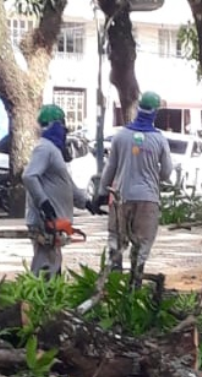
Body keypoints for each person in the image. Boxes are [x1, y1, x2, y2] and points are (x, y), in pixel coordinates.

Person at [94, 91, 173, 288]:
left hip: (121, 196)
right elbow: (167, 171)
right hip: (148, 199)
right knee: (142, 243)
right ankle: (134, 284)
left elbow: (110, 168)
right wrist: (154, 178)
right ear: (155, 113)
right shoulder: (160, 139)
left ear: (139, 109)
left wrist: (102, 192)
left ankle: (113, 282)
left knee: (116, 239)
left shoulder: (121, 135)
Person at [22, 104, 102, 278]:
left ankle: (49, 299)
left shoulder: (53, 151)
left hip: (56, 218)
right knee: (46, 263)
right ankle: (41, 301)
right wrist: (44, 203)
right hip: (46, 219)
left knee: (53, 261)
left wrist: (86, 202)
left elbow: (66, 183)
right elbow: (29, 176)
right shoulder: (45, 148)